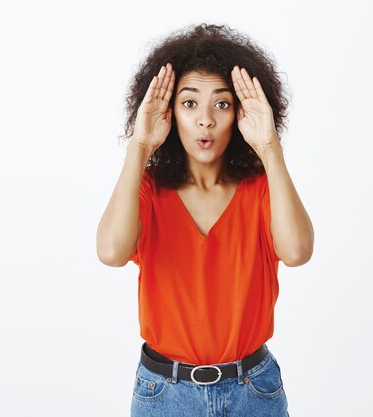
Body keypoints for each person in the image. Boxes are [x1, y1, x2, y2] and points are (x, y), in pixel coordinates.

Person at [96, 23, 314, 416]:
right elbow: (111, 252)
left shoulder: (262, 189)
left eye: (222, 104)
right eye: (190, 102)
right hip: (164, 393)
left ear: (241, 113)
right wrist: (139, 146)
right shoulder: (147, 191)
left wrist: (270, 149)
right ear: (169, 111)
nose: (206, 120)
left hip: (254, 391)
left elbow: (297, 252)